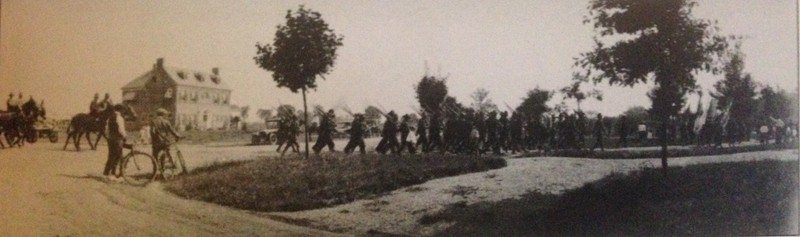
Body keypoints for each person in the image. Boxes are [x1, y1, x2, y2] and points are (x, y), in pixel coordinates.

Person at [103, 104, 127, 181]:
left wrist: (109, 137)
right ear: (120, 110)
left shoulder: (109, 118)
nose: (123, 111)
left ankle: (106, 173)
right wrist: (125, 136)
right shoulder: (119, 118)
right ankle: (119, 174)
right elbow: (121, 129)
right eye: (123, 110)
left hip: (110, 139)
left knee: (111, 156)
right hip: (118, 139)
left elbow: (106, 130)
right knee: (120, 157)